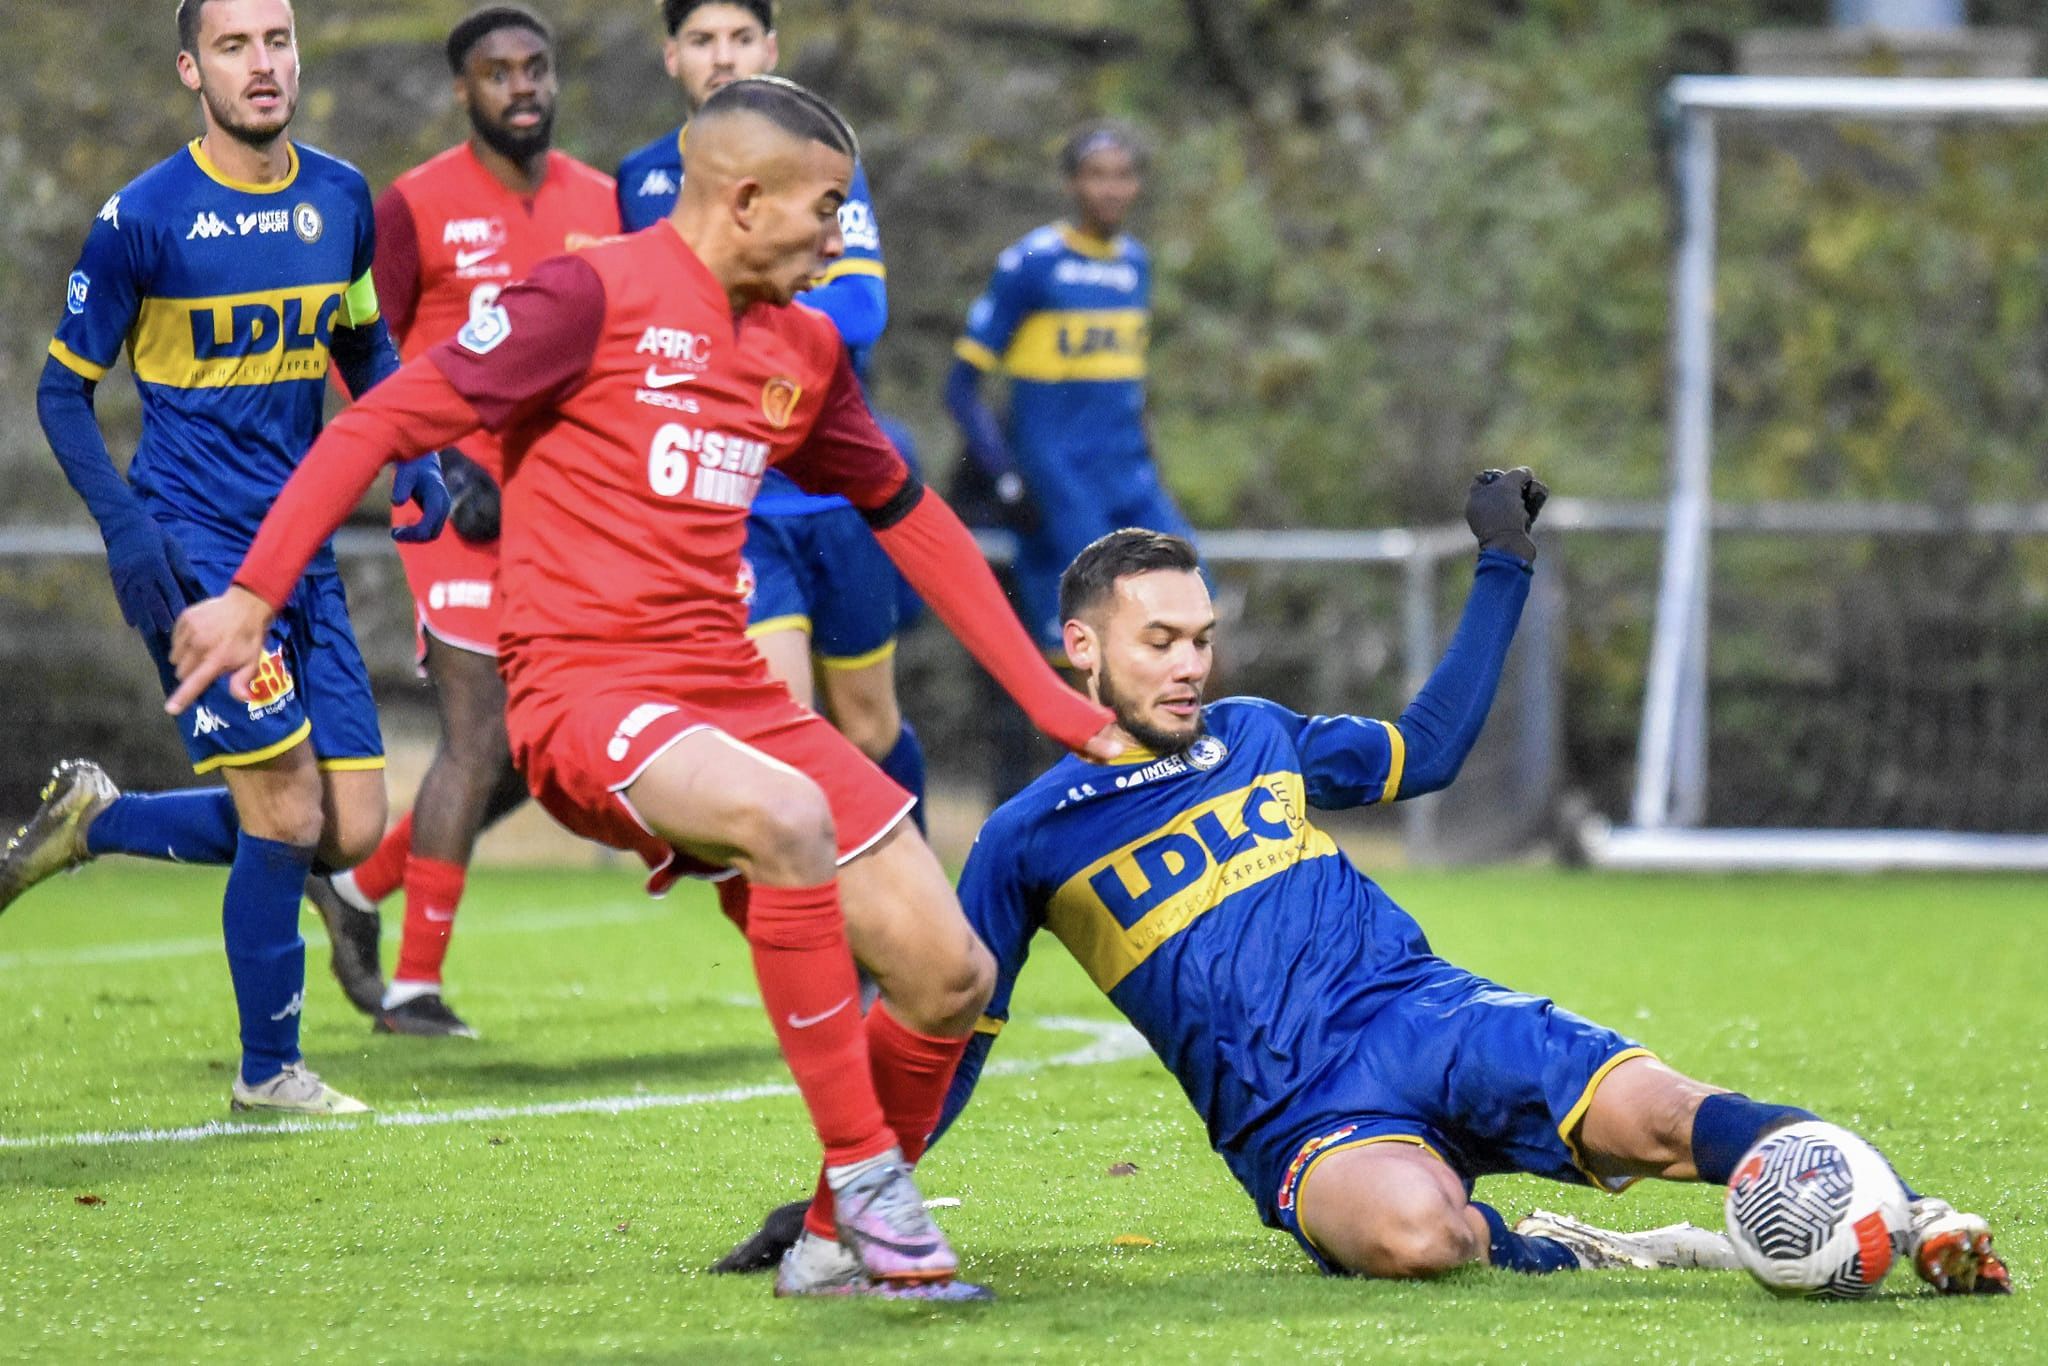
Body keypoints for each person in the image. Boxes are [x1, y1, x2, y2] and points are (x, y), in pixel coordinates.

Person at [166, 76, 1120, 1302]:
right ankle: (876, 1188)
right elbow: (379, 424)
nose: (840, 235)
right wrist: (250, 593)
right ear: (746, 197)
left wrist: (1049, 699)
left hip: (732, 693)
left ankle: (833, 1238)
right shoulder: (587, 292)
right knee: (786, 821)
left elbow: (909, 515)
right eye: (828, 208)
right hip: (579, 693)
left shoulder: (803, 346)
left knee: (948, 973)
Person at [721, 477, 2011, 1297]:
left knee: (1673, 1112)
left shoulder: (1258, 731)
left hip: (1427, 1013)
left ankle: (1904, 1214)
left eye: (1201, 637)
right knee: (1413, 1236)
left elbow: (1429, 749)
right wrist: (842, 1196)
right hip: (1297, 1114)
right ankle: (1571, 1242)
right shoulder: (1025, 838)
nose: (1187, 663)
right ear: (1079, 646)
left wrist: (1501, 563)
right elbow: (952, 1042)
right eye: (1158, 640)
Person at [2, 0, 446, 1117]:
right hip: (193, 553)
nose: (264, 63)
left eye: (279, 40)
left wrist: (414, 449)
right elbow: (62, 390)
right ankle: (268, 1071)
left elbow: (361, 341)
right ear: (191, 70)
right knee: (288, 815)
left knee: (351, 825)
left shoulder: (342, 197)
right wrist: (127, 528)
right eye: (237, 45)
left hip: (305, 550)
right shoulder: (142, 218)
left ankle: (99, 821)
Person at [303, 4, 622, 1039]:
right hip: (449, 503)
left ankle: (357, 889)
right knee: (479, 729)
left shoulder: (604, 203)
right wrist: (437, 457)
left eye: (536, 69)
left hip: (560, 507)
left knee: (541, 752)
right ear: (462, 89)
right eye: (498, 72)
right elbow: (358, 357)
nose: (521, 87)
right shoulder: (414, 205)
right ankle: (411, 985)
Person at [616, 0, 929, 832]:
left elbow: (860, 311)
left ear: (772, 49)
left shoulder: (829, 163)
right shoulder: (640, 179)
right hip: (737, 503)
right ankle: (822, 941)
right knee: (779, 739)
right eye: (703, 41)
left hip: (836, 500)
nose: (724, 57)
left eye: (741, 38)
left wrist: (726, 313)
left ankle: (918, 924)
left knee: (869, 727)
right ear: (671, 57)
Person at [946, 121, 1194, 657]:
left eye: (1123, 175)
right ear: (1071, 185)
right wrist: (1008, 480)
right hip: (1060, 480)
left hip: (1128, 476)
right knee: (1092, 649)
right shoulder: (1033, 264)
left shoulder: (1135, 264)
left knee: (1195, 614)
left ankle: (1208, 745)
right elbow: (960, 389)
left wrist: (1153, 471)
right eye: (1096, 175)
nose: (1110, 189)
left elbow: (1128, 389)